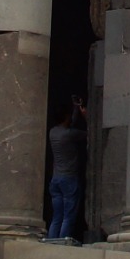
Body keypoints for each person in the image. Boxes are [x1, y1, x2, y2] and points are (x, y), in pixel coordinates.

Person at [43, 96, 87, 244]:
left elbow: (70, 124)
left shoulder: (53, 132)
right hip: (69, 179)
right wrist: (85, 116)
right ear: (66, 116)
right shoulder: (70, 135)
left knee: (57, 216)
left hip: (55, 180)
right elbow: (87, 133)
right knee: (68, 216)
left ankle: (51, 242)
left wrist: (75, 108)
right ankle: (62, 244)